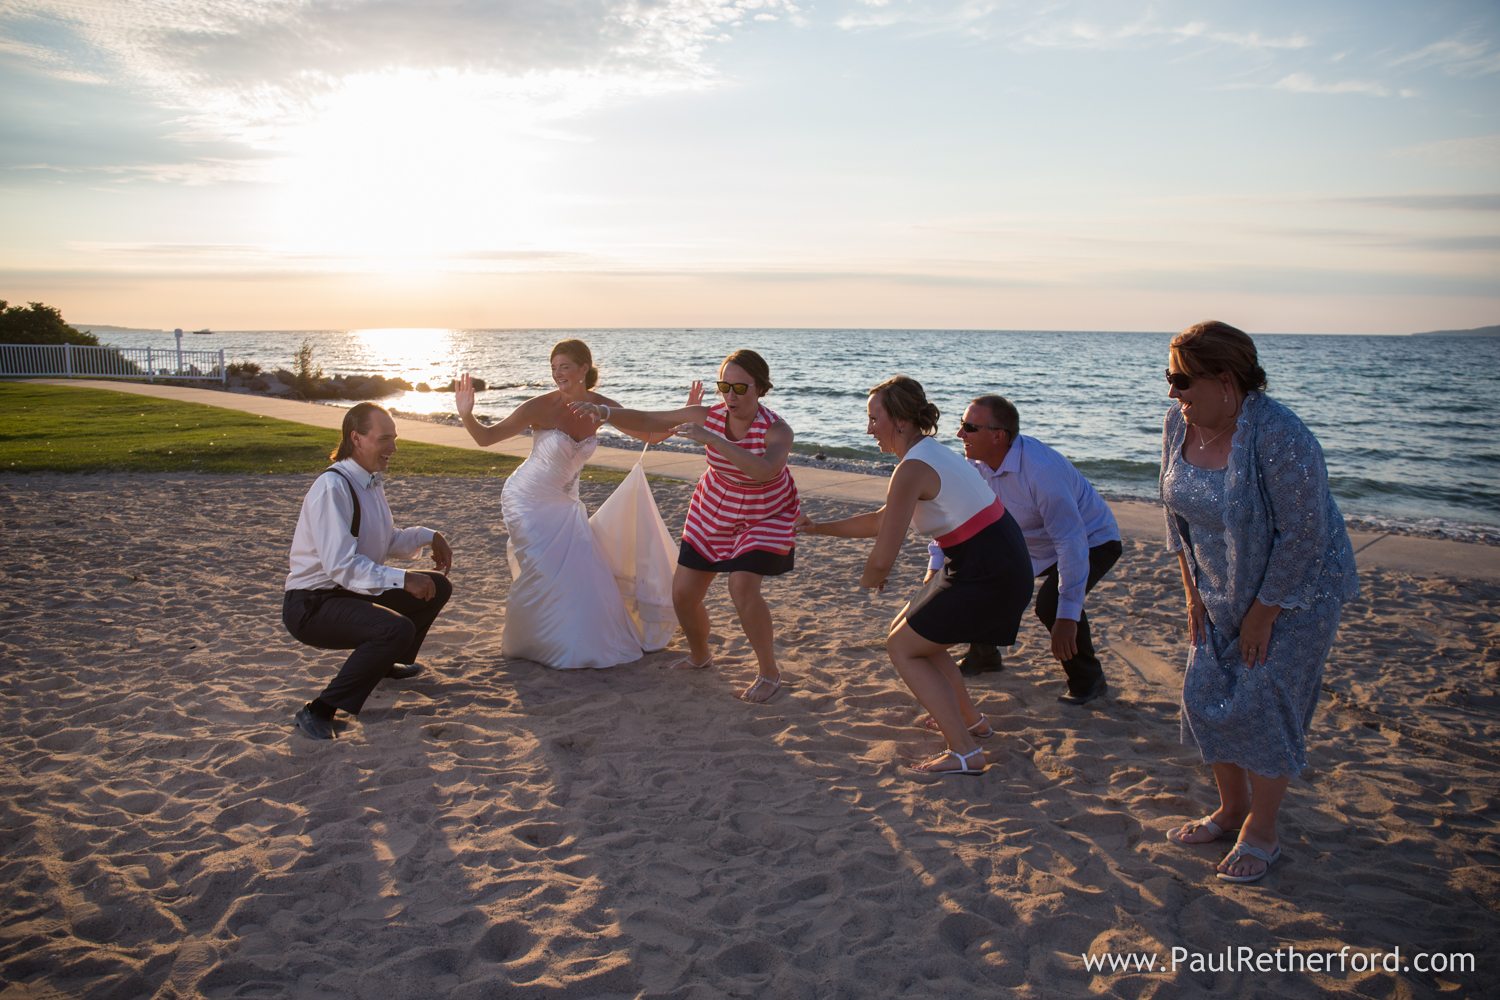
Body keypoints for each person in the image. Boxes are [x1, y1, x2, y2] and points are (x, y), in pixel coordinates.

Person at [1159, 321, 1358, 884]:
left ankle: (1262, 831)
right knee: (1204, 695)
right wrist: (1192, 593)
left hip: (1298, 590)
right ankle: (1231, 809)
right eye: (1169, 377)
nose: (1172, 391)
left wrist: (1263, 613)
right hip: (1217, 585)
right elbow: (1175, 513)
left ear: (1226, 381)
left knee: (1265, 702)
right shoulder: (1178, 422)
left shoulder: (1280, 434)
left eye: (1182, 380)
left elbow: (1304, 534)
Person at [797, 376, 1034, 775]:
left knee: (902, 647)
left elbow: (883, 554)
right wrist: (819, 528)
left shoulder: (913, 468)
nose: (868, 429)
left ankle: (964, 752)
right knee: (912, 632)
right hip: (987, 560)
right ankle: (971, 721)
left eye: (875, 419)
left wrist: (870, 579)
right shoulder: (927, 454)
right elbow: (881, 520)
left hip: (988, 570)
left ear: (902, 421)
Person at [571, 350, 799, 703]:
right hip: (714, 504)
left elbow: (765, 471)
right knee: (683, 594)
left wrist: (713, 440)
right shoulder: (705, 415)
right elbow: (651, 418)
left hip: (764, 511)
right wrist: (606, 412)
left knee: (741, 586)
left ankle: (769, 672)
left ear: (760, 388)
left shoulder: (778, 430)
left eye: (740, 387)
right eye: (725, 386)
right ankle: (700, 655)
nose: (731, 395)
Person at [455, 339, 664, 669]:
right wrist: (466, 414)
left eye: (564, 366)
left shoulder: (602, 406)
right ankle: (537, 641)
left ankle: (571, 640)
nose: (557, 374)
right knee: (546, 570)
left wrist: (683, 415)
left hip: (566, 504)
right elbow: (486, 438)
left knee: (584, 573)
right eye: (553, 368)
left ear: (584, 369)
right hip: (526, 499)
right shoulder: (540, 407)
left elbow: (648, 435)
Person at [928, 395, 1122, 705]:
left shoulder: (1041, 471)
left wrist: (1067, 617)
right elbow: (951, 514)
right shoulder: (973, 464)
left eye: (969, 427)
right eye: (962, 425)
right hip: (1031, 541)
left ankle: (1088, 680)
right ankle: (985, 655)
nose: (959, 433)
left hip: (1091, 539)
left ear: (998, 436)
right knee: (981, 576)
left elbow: (1070, 541)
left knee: (1051, 604)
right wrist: (935, 564)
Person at [283, 403, 454, 741]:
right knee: (395, 628)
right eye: (384, 439)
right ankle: (319, 710)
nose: (393, 448)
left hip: (347, 591)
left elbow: (385, 540)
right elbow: (341, 566)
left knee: (437, 587)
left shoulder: (369, 482)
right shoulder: (333, 487)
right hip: (312, 604)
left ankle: (384, 663)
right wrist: (404, 578)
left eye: (395, 438)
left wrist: (430, 535)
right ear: (356, 438)